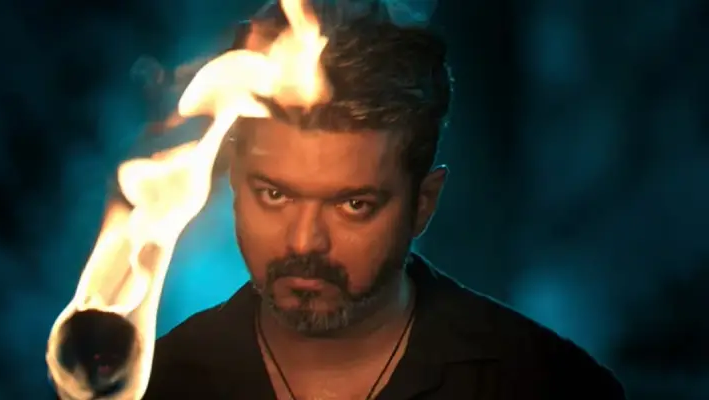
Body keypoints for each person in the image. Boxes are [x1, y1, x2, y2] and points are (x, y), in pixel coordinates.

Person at [143, 4, 626, 400]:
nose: (304, 241)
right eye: (275, 194)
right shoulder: (157, 384)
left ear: (423, 204)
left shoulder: (543, 384)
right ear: (235, 185)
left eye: (354, 204)